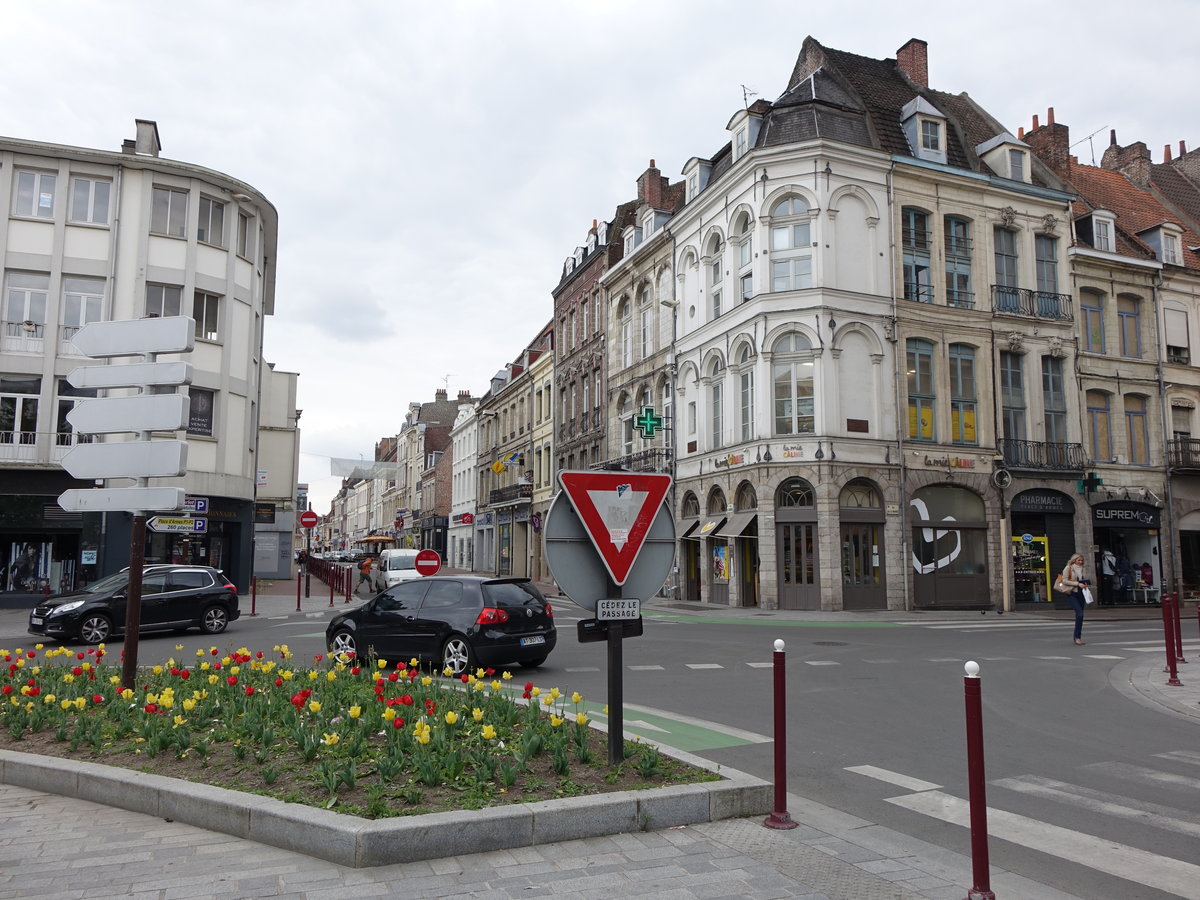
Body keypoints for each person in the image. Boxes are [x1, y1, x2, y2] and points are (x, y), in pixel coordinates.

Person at [1060, 552, 1090, 645]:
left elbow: (1084, 578)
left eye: (1082, 560)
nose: (1080, 562)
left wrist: (1085, 583)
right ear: (1074, 560)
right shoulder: (1069, 568)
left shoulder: (1084, 568)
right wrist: (1077, 583)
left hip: (1081, 593)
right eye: (1079, 560)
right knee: (1080, 614)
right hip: (1072, 593)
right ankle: (1077, 637)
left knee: (1080, 616)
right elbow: (1064, 580)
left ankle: (1077, 637)